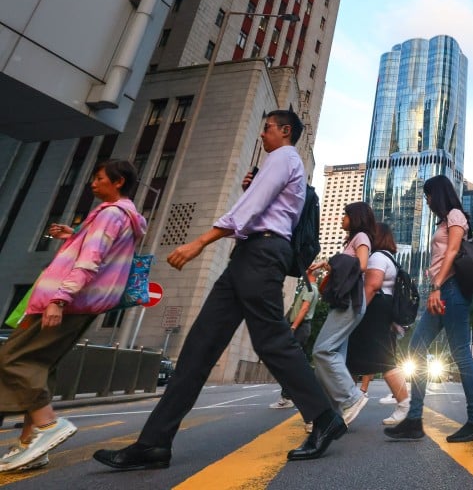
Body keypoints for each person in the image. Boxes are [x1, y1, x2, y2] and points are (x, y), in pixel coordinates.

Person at [95, 111, 345, 470]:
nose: (263, 134)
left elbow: (251, 210)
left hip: (262, 253)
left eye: (268, 128)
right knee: (199, 348)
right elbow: (260, 205)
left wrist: (200, 242)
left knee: (272, 340)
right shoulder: (280, 163)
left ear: (285, 131)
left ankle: (324, 417)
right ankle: (153, 444)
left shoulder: (285, 156)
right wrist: (251, 189)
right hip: (250, 254)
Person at [0, 160, 146, 472]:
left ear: (118, 182)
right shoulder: (123, 217)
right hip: (81, 303)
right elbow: (97, 254)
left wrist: (59, 299)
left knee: (13, 359)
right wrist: (75, 235)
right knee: (40, 365)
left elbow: (91, 259)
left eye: (99, 178)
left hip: (66, 301)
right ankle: (30, 444)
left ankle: (48, 425)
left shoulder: (110, 213)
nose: (92, 183)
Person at [384, 175, 473, 443]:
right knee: (416, 348)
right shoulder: (444, 220)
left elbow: (452, 251)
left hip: (451, 290)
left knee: (461, 353)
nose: (427, 201)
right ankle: (414, 419)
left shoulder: (456, 216)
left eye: (429, 195)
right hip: (443, 290)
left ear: (439, 194)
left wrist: (437, 286)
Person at [309, 201, 375, 426]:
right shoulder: (353, 240)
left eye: (345, 215)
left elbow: (362, 265)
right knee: (335, 355)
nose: (341, 218)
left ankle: (352, 398)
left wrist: (333, 261)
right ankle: (333, 415)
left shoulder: (361, 238)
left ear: (355, 218)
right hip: (345, 303)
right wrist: (326, 265)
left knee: (322, 350)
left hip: (350, 303)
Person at [345, 223, 410, 425]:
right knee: (370, 358)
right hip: (384, 309)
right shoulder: (389, 258)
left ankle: (405, 405)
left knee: (383, 359)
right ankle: (347, 402)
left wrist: (357, 311)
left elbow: (372, 286)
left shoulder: (377, 257)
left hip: (375, 310)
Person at [271, 272, 321, 433]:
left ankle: (292, 398)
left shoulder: (309, 288)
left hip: (299, 326)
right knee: (294, 362)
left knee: (293, 364)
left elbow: (304, 308)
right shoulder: (312, 288)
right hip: (302, 327)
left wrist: (293, 327)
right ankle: (287, 396)